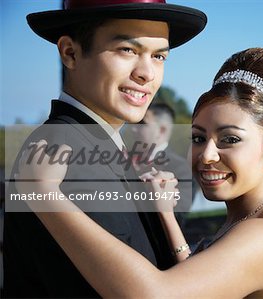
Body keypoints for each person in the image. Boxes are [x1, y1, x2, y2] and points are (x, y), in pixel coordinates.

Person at [15, 47, 263, 298]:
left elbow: (157, 295)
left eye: (230, 139)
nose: (207, 155)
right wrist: (166, 214)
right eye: (198, 137)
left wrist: (43, 194)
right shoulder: (245, 219)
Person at [3, 0, 206, 297]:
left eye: (159, 56)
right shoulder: (60, 149)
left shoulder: (100, 146)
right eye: (128, 50)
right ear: (70, 53)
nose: (147, 73)